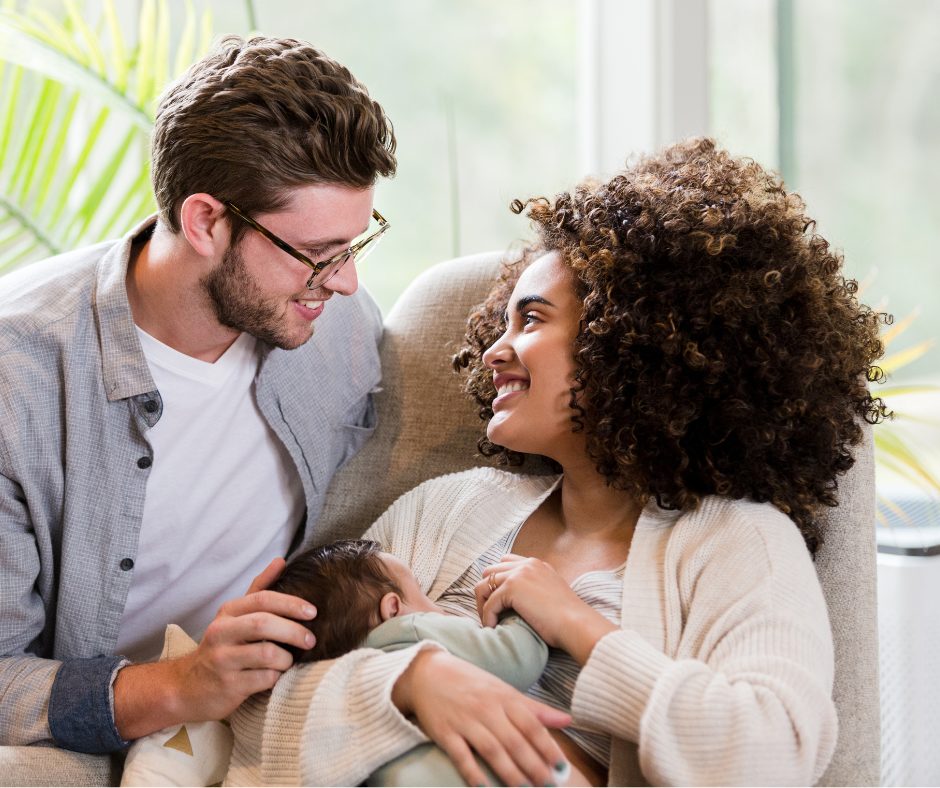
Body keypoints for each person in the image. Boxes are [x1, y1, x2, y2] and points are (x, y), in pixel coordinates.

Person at [229, 138, 890, 787]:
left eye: (533, 321)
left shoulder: (739, 542)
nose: (495, 351)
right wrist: (410, 682)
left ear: (631, 344)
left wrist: (576, 623)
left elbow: (772, 756)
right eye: (505, 323)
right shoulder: (447, 510)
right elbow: (254, 705)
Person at [0, 35, 398, 754]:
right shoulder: (18, 380)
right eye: (317, 256)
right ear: (206, 221)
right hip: (120, 724)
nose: (345, 284)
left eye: (354, 246)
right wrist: (183, 685)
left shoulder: (338, 329)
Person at [231, 538, 579, 786]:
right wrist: (517, 609)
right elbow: (514, 660)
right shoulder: (414, 631)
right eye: (423, 594)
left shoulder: (335, 679)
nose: (437, 609)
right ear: (393, 607)